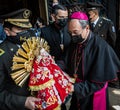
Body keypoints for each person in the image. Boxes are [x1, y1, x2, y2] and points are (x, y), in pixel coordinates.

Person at [65, 11, 120, 110]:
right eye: (70, 33)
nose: (72, 36)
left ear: (86, 28)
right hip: (76, 89)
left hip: (93, 93)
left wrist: (74, 88)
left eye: (75, 32)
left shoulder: (100, 47)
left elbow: (99, 82)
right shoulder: (76, 41)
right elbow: (65, 60)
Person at [0, 9, 40, 110]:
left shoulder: (33, 45)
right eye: (19, 29)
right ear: (7, 32)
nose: (24, 33)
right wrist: (23, 102)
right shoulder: (2, 55)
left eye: (25, 29)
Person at [41, 4, 71, 70]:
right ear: (53, 16)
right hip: (53, 67)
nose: (64, 20)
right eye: (61, 17)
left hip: (70, 66)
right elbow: (43, 52)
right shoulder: (45, 32)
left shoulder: (70, 29)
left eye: (66, 17)